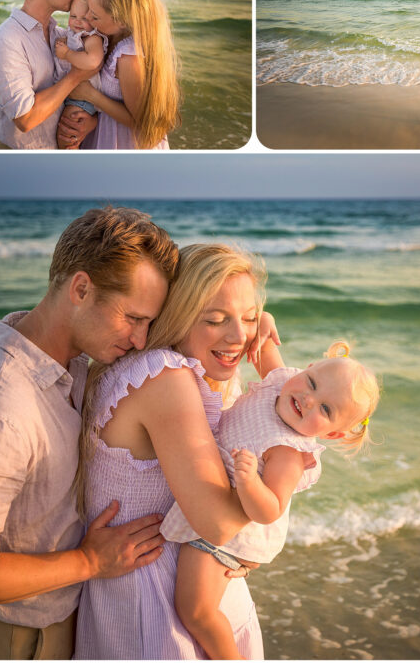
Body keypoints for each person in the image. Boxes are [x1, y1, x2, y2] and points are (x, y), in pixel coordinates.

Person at [0, 207, 180, 660]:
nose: (140, 339)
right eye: (133, 318)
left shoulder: (69, 365)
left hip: (57, 625)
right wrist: (90, 562)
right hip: (8, 641)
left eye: (148, 322)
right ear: (81, 289)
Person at [74, 243, 278, 660]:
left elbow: (288, 418)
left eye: (249, 318)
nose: (239, 337)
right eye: (215, 319)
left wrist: (259, 333)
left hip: (173, 589)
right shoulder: (166, 379)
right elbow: (220, 525)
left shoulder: (181, 369)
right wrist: (254, 530)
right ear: (177, 317)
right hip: (158, 608)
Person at [163, 339, 379, 660]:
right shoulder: (281, 382)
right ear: (305, 369)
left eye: (325, 409)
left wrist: (250, 482)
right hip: (216, 495)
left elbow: (271, 509)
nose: (308, 399)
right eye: (313, 383)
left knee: (194, 609)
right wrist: (262, 320)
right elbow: (261, 348)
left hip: (234, 530)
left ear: (332, 434)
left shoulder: (288, 451)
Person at [0, 0, 95, 150]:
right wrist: (76, 76)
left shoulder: (62, 35)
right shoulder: (5, 40)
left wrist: (91, 122)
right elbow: (25, 119)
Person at [59, 0, 179, 151]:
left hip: (124, 144)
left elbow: (141, 123)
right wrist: (92, 121)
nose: (88, 18)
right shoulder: (106, 36)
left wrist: (90, 95)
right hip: (105, 132)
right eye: (89, 9)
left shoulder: (129, 57)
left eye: (95, 16)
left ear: (122, 21)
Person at [52, 0, 106, 150]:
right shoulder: (74, 34)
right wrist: (65, 42)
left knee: (66, 135)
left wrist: (67, 54)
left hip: (83, 100)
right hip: (71, 93)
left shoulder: (92, 38)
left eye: (84, 18)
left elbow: (92, 61)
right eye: (73, 16)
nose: (77, 22)